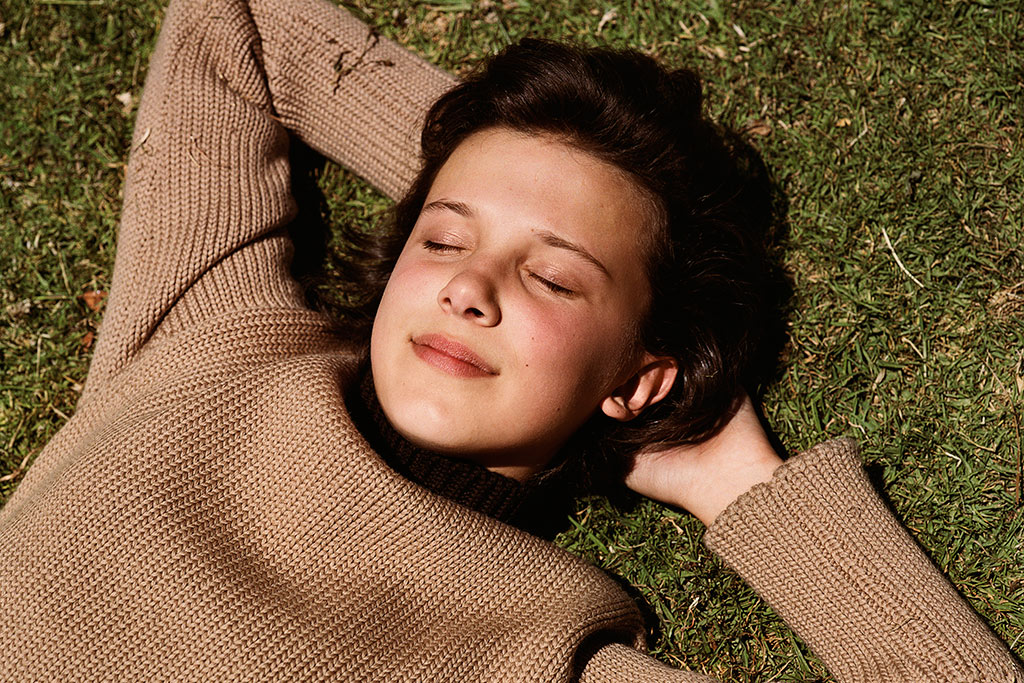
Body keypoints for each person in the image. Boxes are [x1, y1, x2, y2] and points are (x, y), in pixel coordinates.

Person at [0, 0, 1019, 680]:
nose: (470, 287)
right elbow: (245, 24)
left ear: (639, 373)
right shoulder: (217, 330)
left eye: (552, 274)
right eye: (442, 239)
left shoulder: (542, 647)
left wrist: (742, 485)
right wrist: (474, 156)